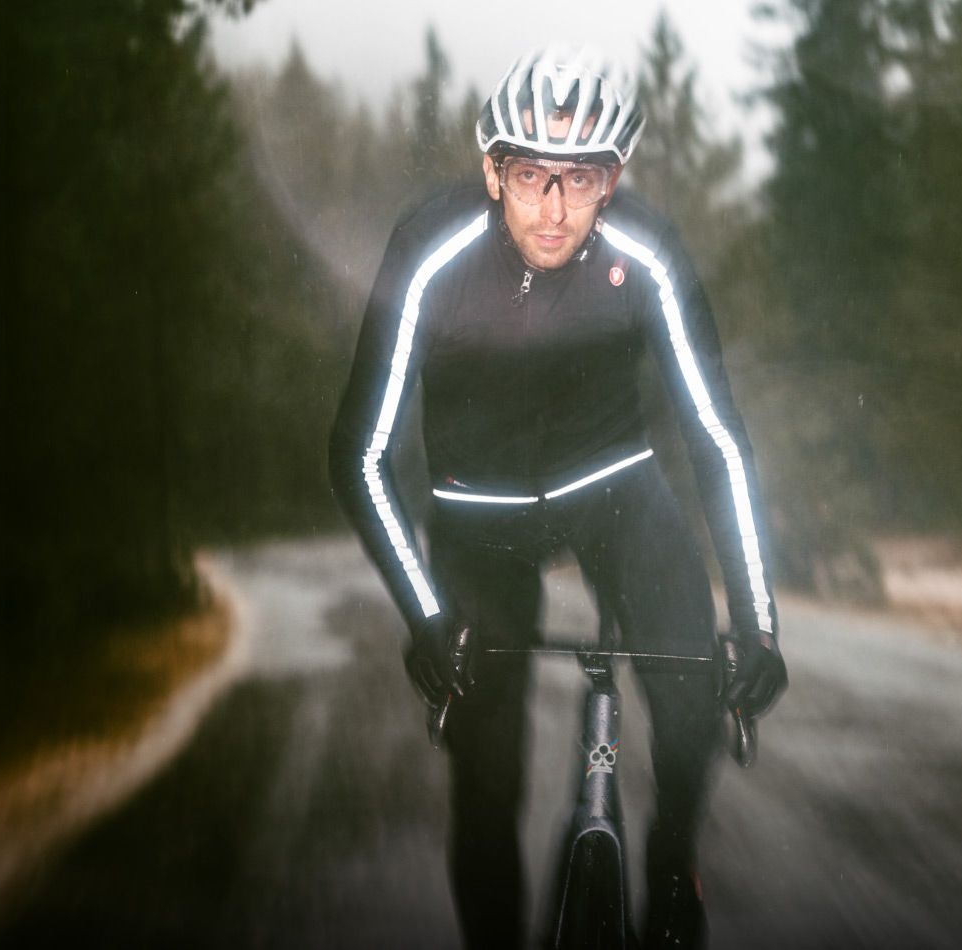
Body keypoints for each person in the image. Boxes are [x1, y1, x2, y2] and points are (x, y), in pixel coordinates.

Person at [327, 47, 788, 948]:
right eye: (531, 174)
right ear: (491, 170)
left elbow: (715, 437)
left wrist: (759, 624)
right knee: (486, 776)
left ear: (611, 181)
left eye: (580, 179)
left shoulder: (645, 251)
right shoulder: (432, 251)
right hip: (478, 518)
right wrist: (427, 616)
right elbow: (360, 452)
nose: (553, 208)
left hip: (613, 490)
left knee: (691, 696)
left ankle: (672, 861)